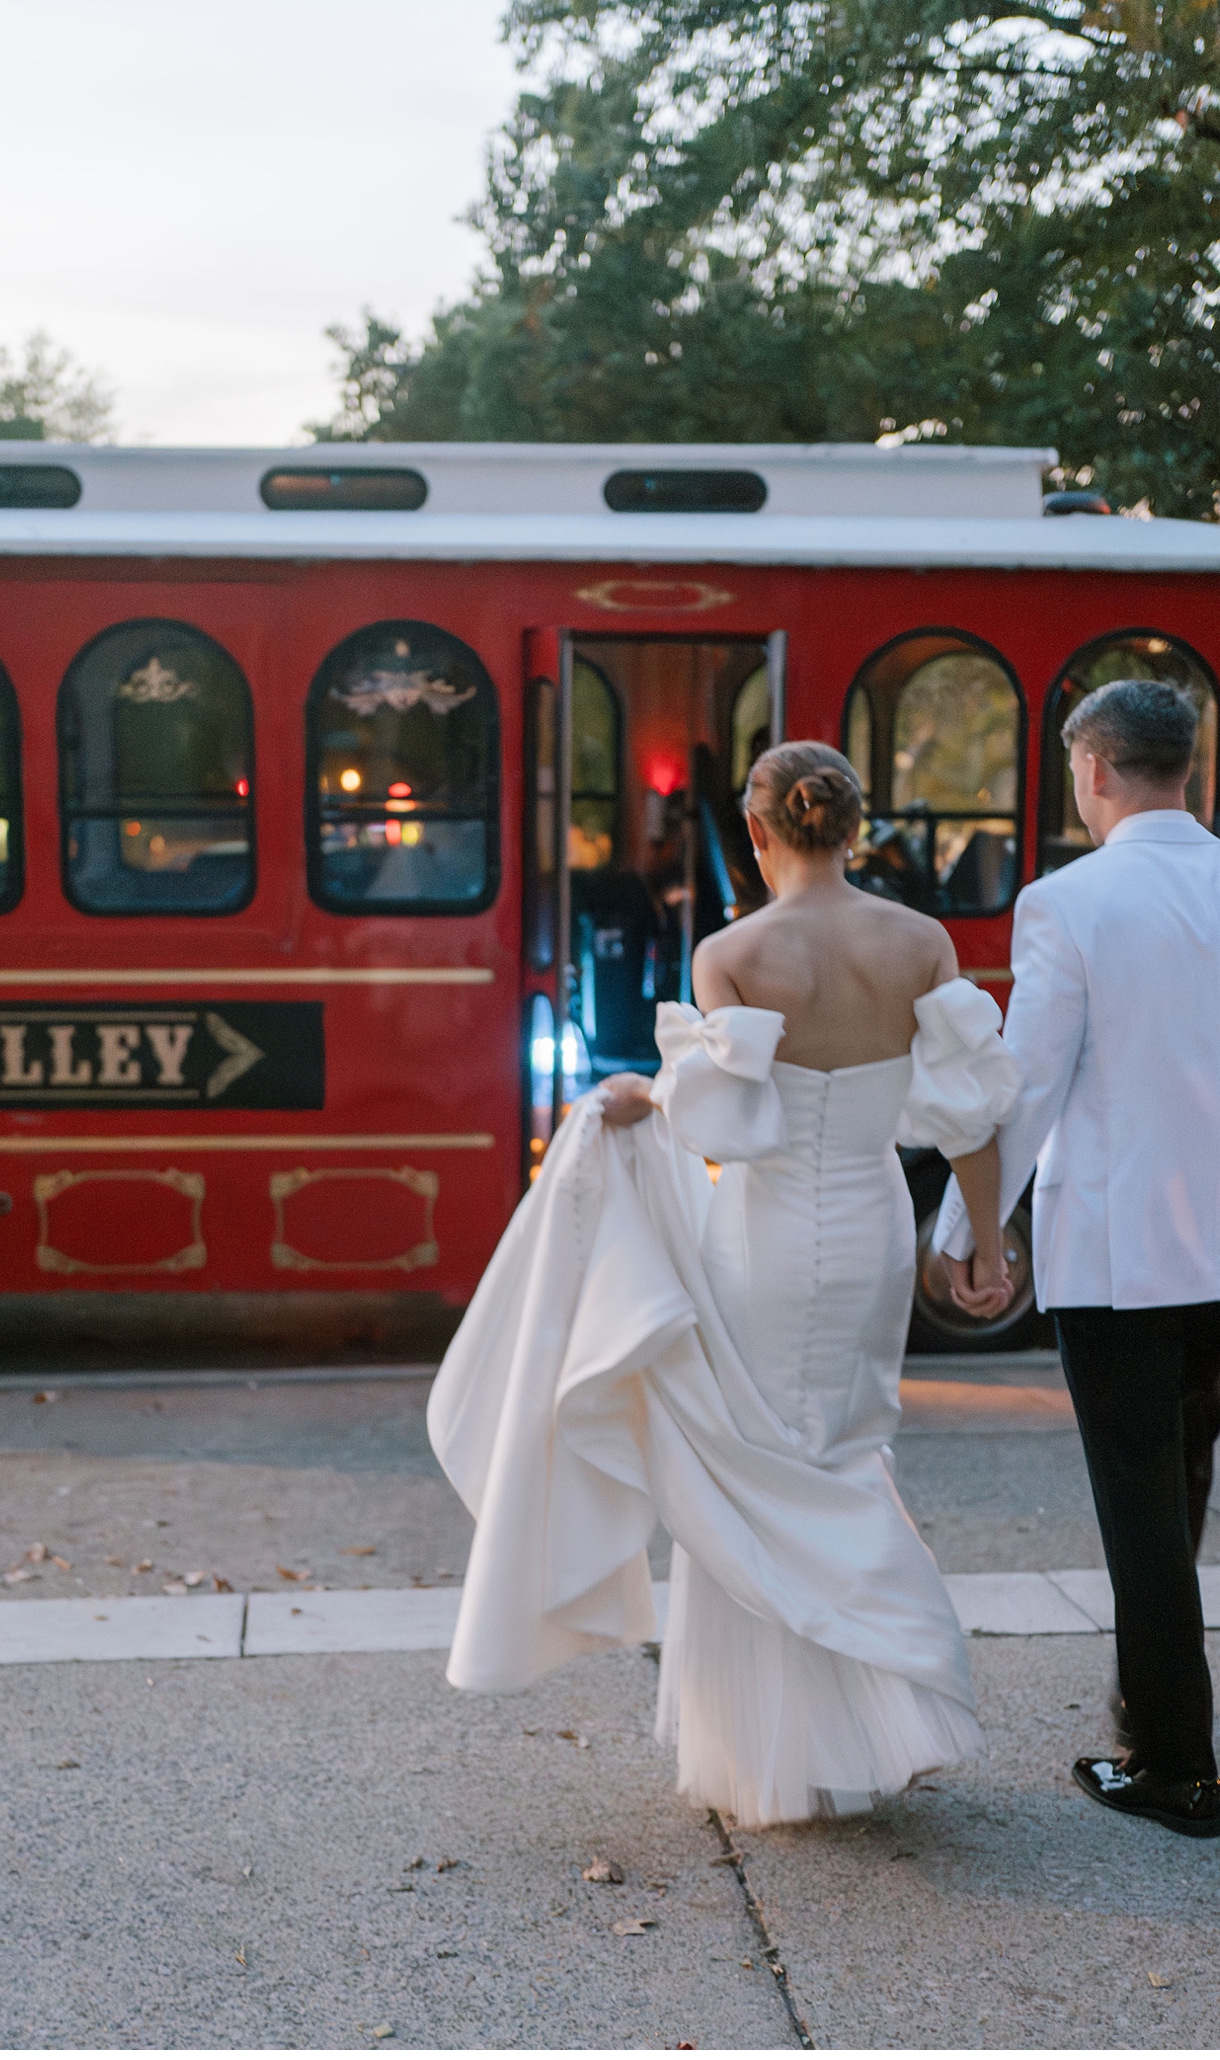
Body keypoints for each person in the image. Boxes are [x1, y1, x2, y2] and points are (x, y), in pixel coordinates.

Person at [428, 742, 1021, 1827]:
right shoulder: (922, 940)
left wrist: (637, 1098)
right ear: (853, 826)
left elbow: (723, 1116)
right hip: (876, 1223)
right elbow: (972, 1109)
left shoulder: (733, 950)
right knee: (845, 1445)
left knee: (759, 1457)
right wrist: (985, 1239)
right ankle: (865, 1718)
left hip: (766, 1230)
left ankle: (784, 1745)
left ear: (755, 835)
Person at [936, 679, 1220, 1840]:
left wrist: (968, 1231)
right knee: (1178, 1462)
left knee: (1139, 1493)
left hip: (1122, 1251)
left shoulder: (1067, 901)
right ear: (1188, 766)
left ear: (1093, 769)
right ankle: (1152, 1692)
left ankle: (1175, 1763)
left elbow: (1027, 1082)